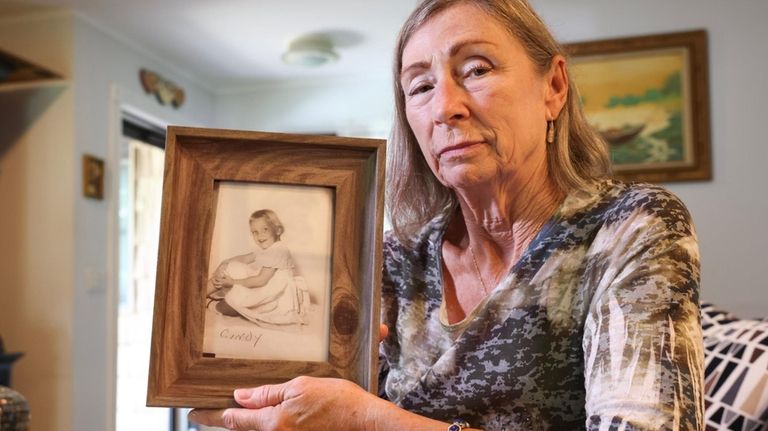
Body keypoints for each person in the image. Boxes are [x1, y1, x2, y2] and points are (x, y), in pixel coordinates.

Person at [190, 0, 704, 429]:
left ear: (553, 88)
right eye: (420, 87)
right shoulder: (392, 258)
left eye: (476, 70)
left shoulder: (630, 227)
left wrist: (373, 421)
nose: (445, 107)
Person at [207, 209, 309, 326]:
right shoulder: (269, 248)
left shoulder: (278, 250)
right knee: (232, 266)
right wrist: (225, 263)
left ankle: (212, 305)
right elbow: (246, 258)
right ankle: (204, 293)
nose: (259, 235)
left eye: (265, 230)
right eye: (255, 232)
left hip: (273, 295)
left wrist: (232, 282)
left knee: (237, 297)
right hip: (265, 288)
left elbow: (261, 280)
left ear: (278, 230)